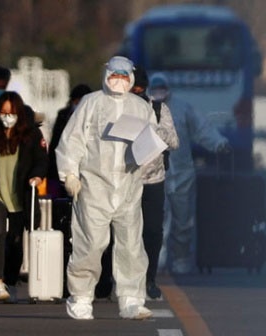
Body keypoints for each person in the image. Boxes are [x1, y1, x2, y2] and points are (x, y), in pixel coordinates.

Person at [55, 56, 155, 320]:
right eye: (114, 76)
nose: (118, 81)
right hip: (93, 186)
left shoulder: (141, 107)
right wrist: (69, 174)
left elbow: (151, 140)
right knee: (90, 244)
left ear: (131, 78)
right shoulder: (91, 103)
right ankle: (81, 297)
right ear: (105, 75)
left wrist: (147, 160)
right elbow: (71, 141)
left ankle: (131, 299)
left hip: (128, 186)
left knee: (131, 245)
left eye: (124, 77)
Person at [148, 73, 230, 275]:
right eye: (155, 89)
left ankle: (182, 258)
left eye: (162, 89)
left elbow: (203, 129)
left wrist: (219, 143)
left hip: (182, 175)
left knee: (183, 221)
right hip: (154, 173)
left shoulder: (183, 108)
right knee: (158, 219)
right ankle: (158, 259)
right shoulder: (144, 109)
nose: (159, 93)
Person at [0, 91, 48, 303]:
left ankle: (11, 279)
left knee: (16, 240)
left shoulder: (32, 135)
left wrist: (37, 176)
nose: (7, 117)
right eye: (3, 112)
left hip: (20, 193)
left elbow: (41, 160)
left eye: (11, 113)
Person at [131, 67, 179, 300]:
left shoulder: (159, 109)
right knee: (122, 233)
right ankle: (113, 279)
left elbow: (173, 141)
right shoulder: (112, 108)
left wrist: (151, 126)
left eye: (140, 90)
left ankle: (149, 278)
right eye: (133, 89)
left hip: (153, 180)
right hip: (123, 180)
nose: (136, 93)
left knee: (152, 232)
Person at [47, 84, 92, 198]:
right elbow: (56, 142)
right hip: (60, 166)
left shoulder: (93, 117)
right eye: (77, 102)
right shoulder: (63, 115)